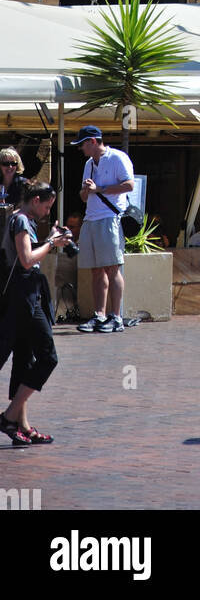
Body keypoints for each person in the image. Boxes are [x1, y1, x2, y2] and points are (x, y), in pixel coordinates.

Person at [0, 181, 73, 447]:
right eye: (47, 205)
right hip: (23, 299)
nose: (47, 211)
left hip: (27, 297)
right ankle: (8, 418)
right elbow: (27, 259)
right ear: (35, 200)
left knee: (24, 360)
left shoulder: (23, 221)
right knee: (47, 357)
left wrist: (49, 238)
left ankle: (22, 425)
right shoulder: (20, 221)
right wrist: (52, 243)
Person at [72, 125, 135, 334]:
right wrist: (86, 190)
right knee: (96, 270)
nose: (80, 148)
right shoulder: (88, 163)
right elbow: (84, 195)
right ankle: (99, 315)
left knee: (112, 267)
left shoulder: (117, 158)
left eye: (82, 144)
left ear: (92, 141)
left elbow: (129, 185)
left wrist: (99, 189)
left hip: (110, 218)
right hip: (91, 219)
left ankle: (116, 317)